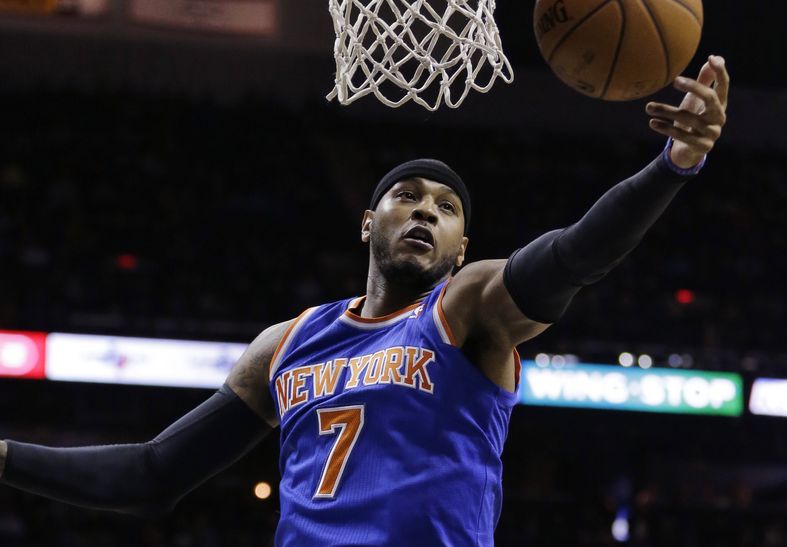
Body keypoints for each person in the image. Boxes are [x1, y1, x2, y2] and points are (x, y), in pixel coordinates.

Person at [0, 55, 729, 546]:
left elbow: (575, 254)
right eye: (407, 195)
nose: (425, 210)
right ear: (367, 222)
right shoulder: (286, 343)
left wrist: (674, 166)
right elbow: (153, 473)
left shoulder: (466, 310)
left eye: (446, 207)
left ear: (461, 249)